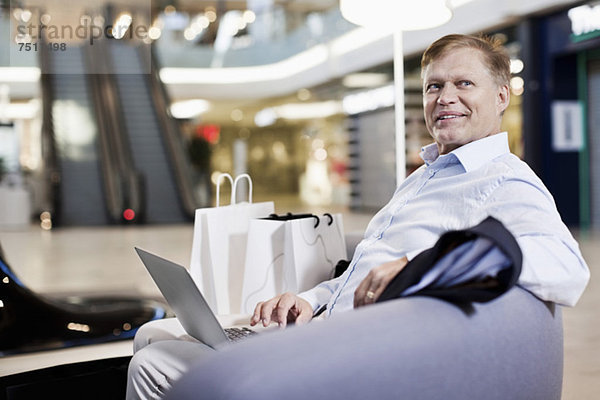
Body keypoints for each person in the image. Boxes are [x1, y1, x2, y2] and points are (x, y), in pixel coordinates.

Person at [126, 33, 590, 399]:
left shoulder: (504, 179)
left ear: (503, 97)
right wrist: (311, 299)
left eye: (463, 83)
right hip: (328, 329)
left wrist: (423, 267)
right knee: (154, 336)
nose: (445, 97)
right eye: (434, 86)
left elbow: (567, 267)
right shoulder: (423, 176)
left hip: (368, 351)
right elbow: (370, 263)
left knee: (154, 365)